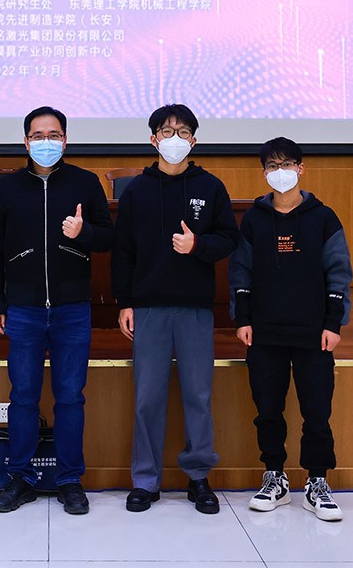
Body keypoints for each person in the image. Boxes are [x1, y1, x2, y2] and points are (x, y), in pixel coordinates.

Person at [0, 106, 114, 515]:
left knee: (70, 397)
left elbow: (108, 238)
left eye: (53, 135)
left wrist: (83, 232)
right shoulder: (8, 189)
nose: (46, 142)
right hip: (22, 309)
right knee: (23, 396)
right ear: (25, 142)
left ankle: (69, 478)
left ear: (65, 140)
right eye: (38, 136)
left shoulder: (85, 183)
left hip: (72, 308)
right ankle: (20, 477)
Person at [112, 104, 239, 514]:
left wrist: (197, 245)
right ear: (153, 139)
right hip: (148, 308)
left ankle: (198, 477)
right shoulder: (137, 191)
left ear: (194, 140)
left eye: (183, 132)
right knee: (147, 397)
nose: (175, 139)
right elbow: (123, 251)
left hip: (194, 308)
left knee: (198, 395)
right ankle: (145, 480)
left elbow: (229, 239)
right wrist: (125, 302)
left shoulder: (211, 187)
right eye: (167, 132)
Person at [229, 136, 352, 522]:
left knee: (317, 411)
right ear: (264, 172)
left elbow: (339, 272)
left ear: (300, 169)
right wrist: (243, 318)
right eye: (272, 166)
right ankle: (275, 478)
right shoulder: (254, 219)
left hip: (314, 332)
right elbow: (241, 272)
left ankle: (317, 482)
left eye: (286, 164)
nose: (279, 172)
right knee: (268, 410)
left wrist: (333, 323)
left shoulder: (323, 217)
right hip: (264, 332)